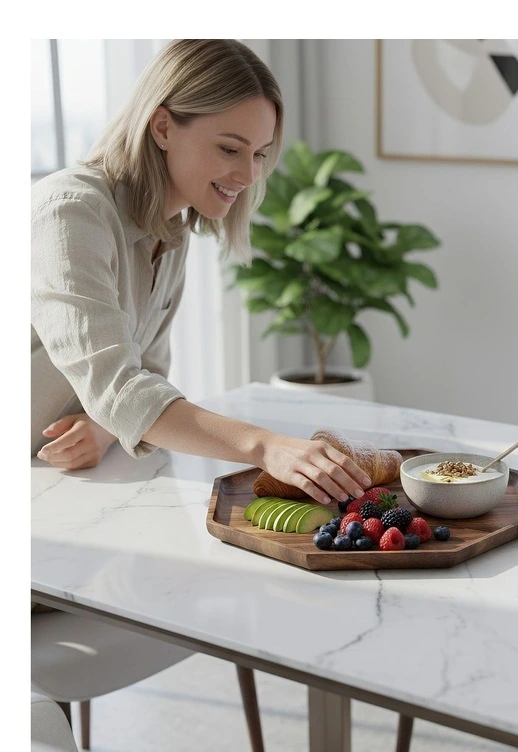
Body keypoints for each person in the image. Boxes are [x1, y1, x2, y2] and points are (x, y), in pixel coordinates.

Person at [31, 39, 371, 505]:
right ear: (164, 126)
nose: (250, 175)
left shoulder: (172, 229)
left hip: (61, 480)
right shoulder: (70, 213)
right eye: (230, 149)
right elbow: (117, 386)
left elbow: (146, 372)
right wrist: (266, 446)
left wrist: (104, 429)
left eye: (259, 154)